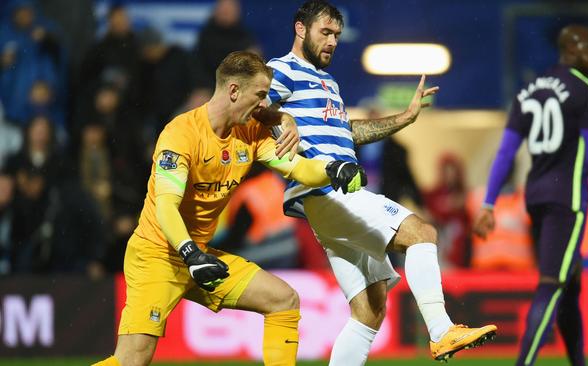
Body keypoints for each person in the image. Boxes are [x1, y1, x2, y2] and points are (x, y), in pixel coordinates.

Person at [93, 50, 367, 366]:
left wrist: (332, 169)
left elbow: (296, 167)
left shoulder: (250, 132)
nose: (265, 104)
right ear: (234, 90)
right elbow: (165, 206)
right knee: (131, 361)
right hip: (157, 255)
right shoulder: (180, 134)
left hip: (200, 254)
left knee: (283, 300)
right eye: (261, 95)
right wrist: (190, 254)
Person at [265, 1, 496, 364]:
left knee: (369, 312)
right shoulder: (282, 69)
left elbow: (349, 132)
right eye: (324, 32)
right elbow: (253, 106)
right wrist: (279, 116)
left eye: (337, 35)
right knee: (422, 233)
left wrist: (405, 117)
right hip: (328, 192)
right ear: (300, 29)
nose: (332, 42)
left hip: (330, 205)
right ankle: (441, 330)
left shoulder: (328, 82)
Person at [473, 25, 588, 366]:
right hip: (567, 201)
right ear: (572, 48)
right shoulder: (586, 90)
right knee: (552, 284)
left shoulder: (527, 92)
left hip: (535, 197)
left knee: (571, 286)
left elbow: (506, 153)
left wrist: (489, 202)